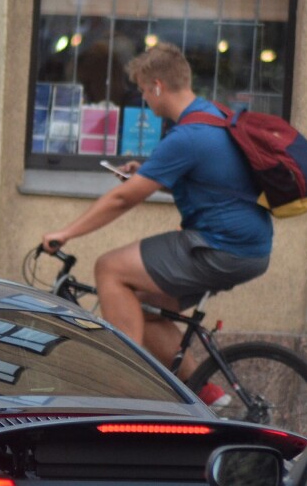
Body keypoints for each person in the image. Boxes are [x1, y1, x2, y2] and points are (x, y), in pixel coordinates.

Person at [41, 43, 271, 406]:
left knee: (110, 268)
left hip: (222, 245)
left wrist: (65, 233)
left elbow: (123, 199)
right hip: (245, 246)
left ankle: (125, 389)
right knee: (142, 305)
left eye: (145, 91)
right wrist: (147, 173)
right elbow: (210, 177)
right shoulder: (211, 117)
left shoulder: (187, 136)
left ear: (158, 86)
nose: (145, 100)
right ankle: (211, 396)